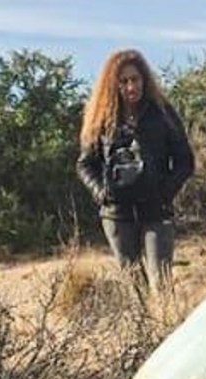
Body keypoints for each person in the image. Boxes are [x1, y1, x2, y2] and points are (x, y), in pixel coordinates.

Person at [78, 49, 194, 294]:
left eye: (135, 79)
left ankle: (167, 329)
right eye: (123, 81)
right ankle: (141, 333)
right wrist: (102, 193)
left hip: (156, 210)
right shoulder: (101, 118)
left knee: (161, 284)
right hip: (117, 213)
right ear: (113, 85)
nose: (131, 87)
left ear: (144, 80)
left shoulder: (162, 113)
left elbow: (185, 160)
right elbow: (86, 163)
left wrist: (165, 193)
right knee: (134, 287)